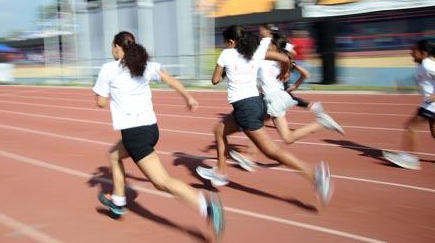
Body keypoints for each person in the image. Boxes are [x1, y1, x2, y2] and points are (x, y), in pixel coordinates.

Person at [93, 31, 225, 238]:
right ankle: (118, 201)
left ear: (118, 47)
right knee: (113, 155)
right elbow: (170, 80)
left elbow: (100, 102)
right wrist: (188, 98)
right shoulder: (145, 65)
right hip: (151, 130)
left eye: (113, 47)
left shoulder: (108, 69)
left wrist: (106, 95)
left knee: (161, 182)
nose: (112, 51)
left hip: (135, 134)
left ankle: (207, 206)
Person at [196, 26, 333, 205]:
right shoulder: (255, 51)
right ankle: (220, 172)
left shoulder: (227, 54)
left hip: (245, 108)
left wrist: (224, 73)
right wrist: (285, 72)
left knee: (272, 152)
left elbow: (214, 80)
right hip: (257, 104)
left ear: (230, 42)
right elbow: (285, 57)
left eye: (226, 42)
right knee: (219, 131)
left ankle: (314, 175)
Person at [229, 33, 344, 172]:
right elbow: (299, 68)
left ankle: (249, 158)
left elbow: (256, 54)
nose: (266, 46)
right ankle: (321, 123)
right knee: (287, 138)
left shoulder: (267, 60)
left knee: (254, 125)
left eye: (269, 44)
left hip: (272, 99)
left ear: (274, 46)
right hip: (279, 98)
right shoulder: (282, 60)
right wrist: (290, 76)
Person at [383, 40, 435, 170]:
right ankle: (408, 157)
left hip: (433, 104)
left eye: (414, 50)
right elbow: (420, 81)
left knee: (411, 127)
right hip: (430, 103)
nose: (411, 53)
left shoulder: (429, 66)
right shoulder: (421, 66)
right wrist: (402, 85)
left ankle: (409, 158)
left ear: (423, 53)